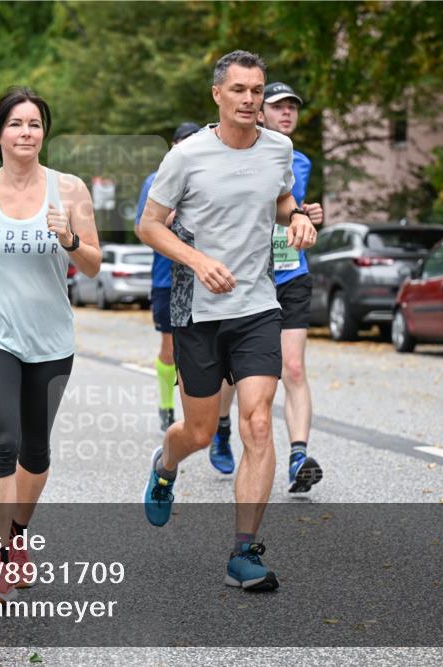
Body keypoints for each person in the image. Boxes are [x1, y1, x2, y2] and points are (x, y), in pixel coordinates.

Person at [137, 51, 321, 592]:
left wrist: (296, 222)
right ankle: (165, 464)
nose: (249, 100)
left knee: (259, 422)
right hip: (196, 309)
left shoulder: (279, 148)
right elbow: (149, 226)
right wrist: (196, 261)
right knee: (196, 430)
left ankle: (244, 552)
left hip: (258, 305)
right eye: (238, 89)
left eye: (257, 90)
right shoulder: (186, 157)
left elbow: (284, 196)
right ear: (217, 94)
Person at [0, 88, 101, 604]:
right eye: (16, 124)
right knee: (3, 442)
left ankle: (16, 539)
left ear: (44, 133)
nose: (26, 133)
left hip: (51, 338)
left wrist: (70, 241)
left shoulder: (71, 189)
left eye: (35, 124)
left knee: (35, 450)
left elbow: (94, 264)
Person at [207, 82, 324, 490]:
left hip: (290, 273)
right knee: (232, 375)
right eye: (278, 107)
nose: (287, 113)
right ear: (259, 113)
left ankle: (298, 456)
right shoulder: (232, 155)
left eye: (292, 107)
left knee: (292, 367)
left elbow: (290, 208)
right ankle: (220, 429)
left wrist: (308, 217)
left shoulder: (300, 161)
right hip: (245, 275)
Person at [134, 122, 201, 433]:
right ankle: (166, 404)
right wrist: (172, 217)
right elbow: (143, 229)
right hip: (166, 278)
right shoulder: (155, 180)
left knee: (197, 349)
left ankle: (196, 410)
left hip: (201, 275)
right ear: (173, 146)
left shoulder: (207, 175)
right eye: (183, 143)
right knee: (170, 347)